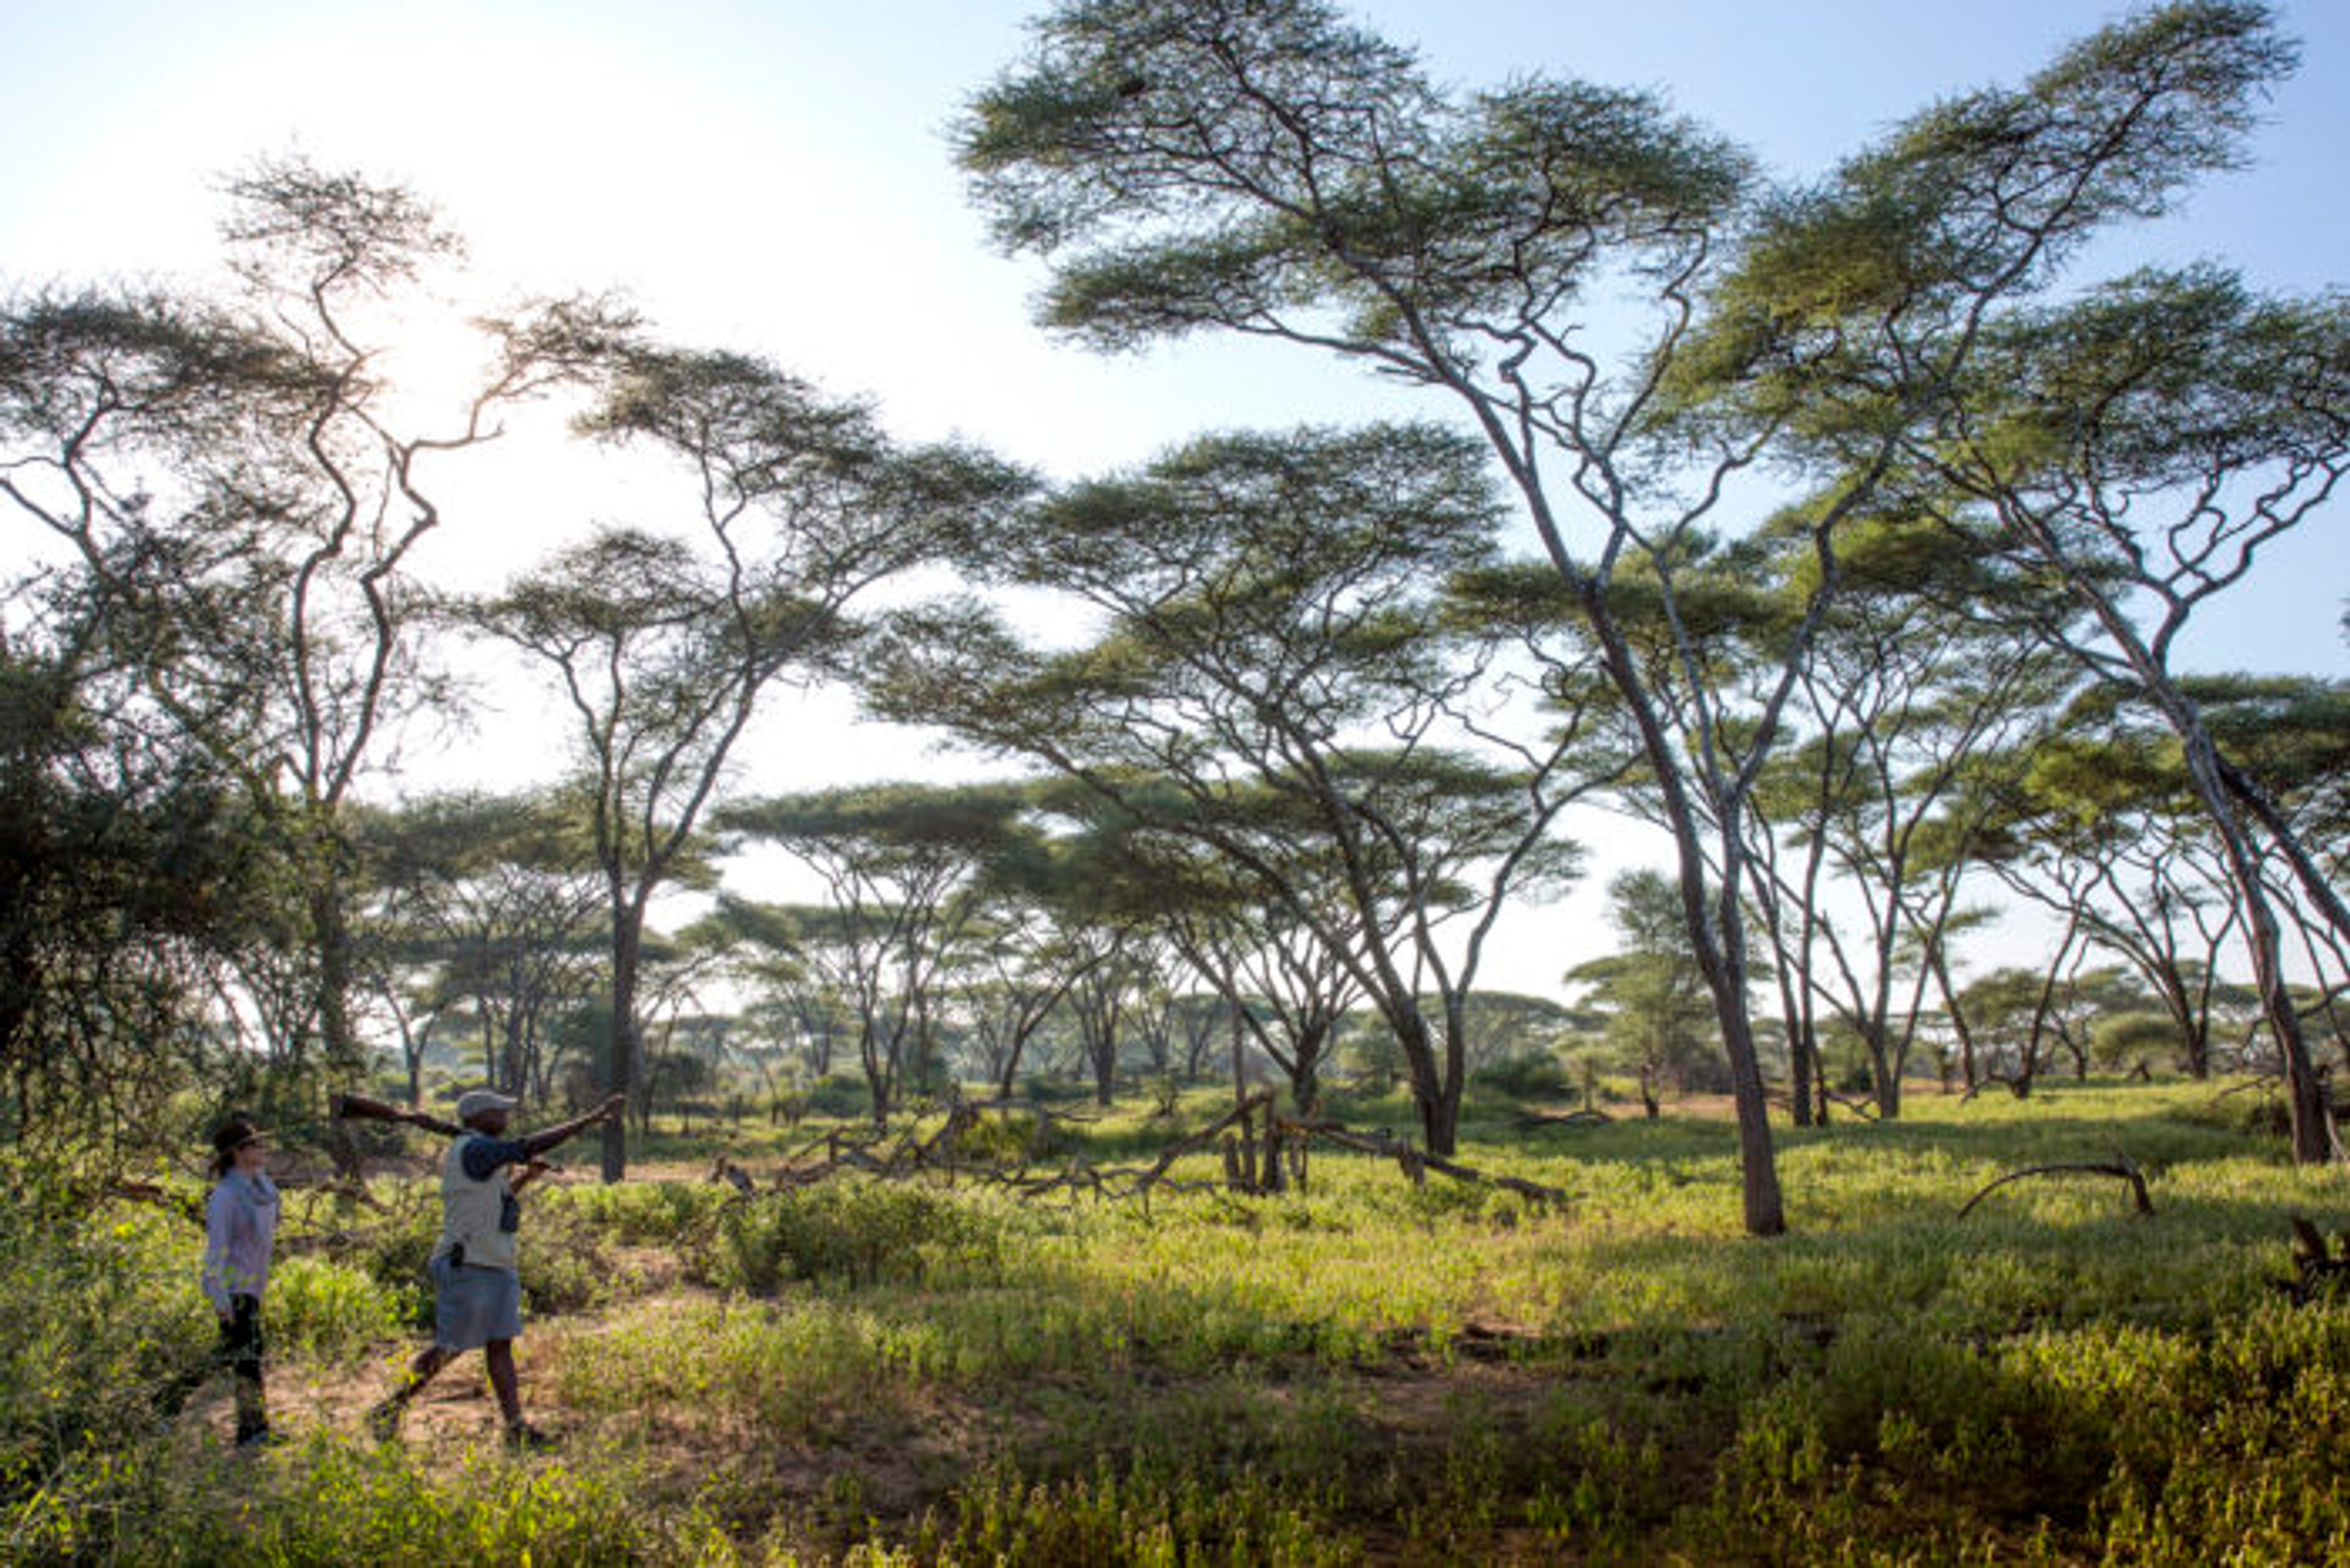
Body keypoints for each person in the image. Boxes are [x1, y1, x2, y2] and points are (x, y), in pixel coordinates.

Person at [368, 1088, 624, 1447]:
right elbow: (527, 1144)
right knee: (451, 1347)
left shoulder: (482, 1152)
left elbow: (496, 1201)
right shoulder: (476, 1149)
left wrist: (527, 1177)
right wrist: (591, 1118)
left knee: (499, 1346)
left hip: (493, 1263)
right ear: (477, 1118)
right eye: (497, 1111)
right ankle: (390, 1408)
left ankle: (516, 1428)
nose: (504, 1117)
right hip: (468, 1263)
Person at [201, 1114, 282, 1449]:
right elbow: (216, 1250)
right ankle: (252, 1432)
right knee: (246, 1358)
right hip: (235, 1289)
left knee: (237, 1356)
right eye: (255, 1144)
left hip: (253, 1287)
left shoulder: (261, 1189)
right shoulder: (225, 1196)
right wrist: (220, 1299)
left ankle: (166, 1404)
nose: (262, 1149)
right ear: (238, 1153)